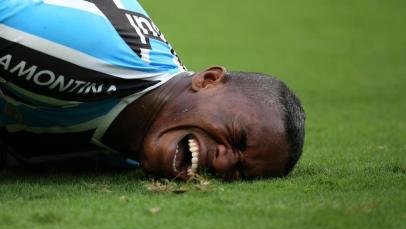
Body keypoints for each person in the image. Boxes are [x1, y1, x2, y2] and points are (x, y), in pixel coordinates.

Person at [0, 0, 305, 180]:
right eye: (237, 138)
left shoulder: (126, 152)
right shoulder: (84, 55)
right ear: (209, 80)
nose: (223, 163)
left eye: (239, 173)